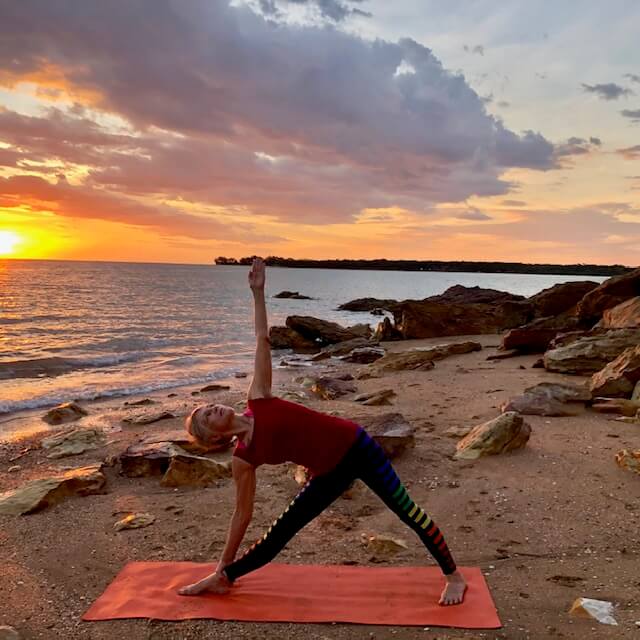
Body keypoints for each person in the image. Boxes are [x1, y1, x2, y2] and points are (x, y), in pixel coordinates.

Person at [178, 257, 467, 605]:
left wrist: (258, 293)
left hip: (360, 448)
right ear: (216, 437)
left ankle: (454, 577)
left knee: (409, 512)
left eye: (209, 407)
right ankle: (224, 579)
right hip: (327, 474)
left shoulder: (259, 398)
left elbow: (261, 340)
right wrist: (222, 562)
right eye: (209, 417)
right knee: (279, 534)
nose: (215, 408)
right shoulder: (243, 458)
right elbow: (242, 514)